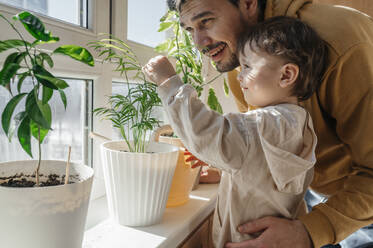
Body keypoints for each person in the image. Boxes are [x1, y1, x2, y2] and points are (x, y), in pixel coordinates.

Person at [162, 0, 373, 248]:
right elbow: (265, 141)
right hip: (309, 192)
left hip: (360, 204)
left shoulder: (342, 41)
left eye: (205, 21)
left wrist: (309, 231)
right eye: (188, 29)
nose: (198, 43)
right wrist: (225, 164)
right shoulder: (239, 60)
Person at [144, 16, 328, 247]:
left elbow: (207, 134)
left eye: (248, 67)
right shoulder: (298, 123)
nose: (239, 76)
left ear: (286, 75)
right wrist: (224, 172)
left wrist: (169, 83)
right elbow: (266, 176)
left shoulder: (267, 122)